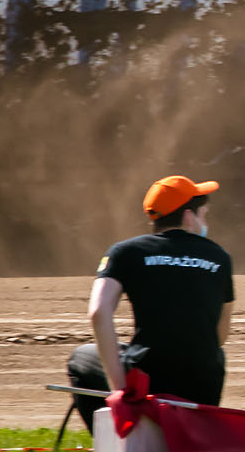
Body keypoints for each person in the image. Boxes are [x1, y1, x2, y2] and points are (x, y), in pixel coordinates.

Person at [63, 174, 235, 435]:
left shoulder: (126, 252)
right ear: (189, 217)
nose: (205, 222)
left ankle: (118, 438)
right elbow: (219, 338)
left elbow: (98, 312)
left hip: (146, 380)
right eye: (204, 215)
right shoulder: (220, 257)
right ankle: (193, 428)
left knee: (82, 357)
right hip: (202, 389)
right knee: (216, 354)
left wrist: (120, 388)